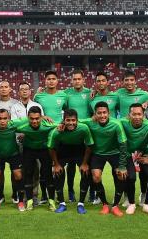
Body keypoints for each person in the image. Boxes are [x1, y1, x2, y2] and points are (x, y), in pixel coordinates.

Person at [119, 103, 148, 215]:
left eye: (139, 114)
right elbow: (109, 121)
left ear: (143, 115)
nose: (137, 117)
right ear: (129, 115)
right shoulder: (122, 122)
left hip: (143, 153)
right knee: (131, 177)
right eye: (134, 114)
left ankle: (147, 204)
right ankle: (132, 204)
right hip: (128, 154)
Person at [84, 102, 128, 217]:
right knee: (96, 176)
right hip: (98, 154)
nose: (102, 115)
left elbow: (123, 144)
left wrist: (123, 166)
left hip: (115, 153)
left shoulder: (116, 124)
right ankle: (104, 204)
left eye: (104, 113)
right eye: (99, 113)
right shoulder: (90, 122)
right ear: (95, 114)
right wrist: (62, 124)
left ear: (109, 113)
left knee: (120, 175)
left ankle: (115, 206)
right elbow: (74, 122)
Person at [48, 109, 94, 214]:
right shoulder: (57, 131)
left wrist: (85, 163)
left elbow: (89, 145)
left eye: (73, 120)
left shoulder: (84, 128)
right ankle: (62, 203)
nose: (71, 123)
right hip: (63, 150)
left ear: (77, 120)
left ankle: (81, 204)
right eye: (68, 120)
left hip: (79, 150)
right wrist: (56, 164)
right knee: (58, 171)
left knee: (85, 171)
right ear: (63, 121)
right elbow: (51, 148)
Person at [16, 106, 58, 211]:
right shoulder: (22, 126)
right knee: (28, 173)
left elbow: (63, 125)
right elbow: (7, 124)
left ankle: (51, 201)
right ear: (28, 118)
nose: (34, 121)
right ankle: (29, 201)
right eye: (32, 119)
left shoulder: (48, 125)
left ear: (41, 117)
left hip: (44, 150)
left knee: (47, 174)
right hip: (29, 150)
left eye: (37, 118)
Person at [62, 69, 91, 203]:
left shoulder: (90, 93)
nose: (77, 81)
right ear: (71, 80)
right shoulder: (66, 94)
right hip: (70, 133)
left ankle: (91, 192)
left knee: (86, 165)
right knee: (71, 167)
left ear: (83, 80)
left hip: (84, 134)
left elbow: (92, 112)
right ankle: (71, 190)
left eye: (79, 79)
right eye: (75, 79)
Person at [0, 108, 24, 210]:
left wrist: (43, 117)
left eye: (5, 118)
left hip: (13, 154)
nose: (2, 121)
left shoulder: (14, 124)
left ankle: (20, 201)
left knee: (18, 175)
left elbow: (29, 120)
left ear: (9, 119)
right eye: (0, 118)